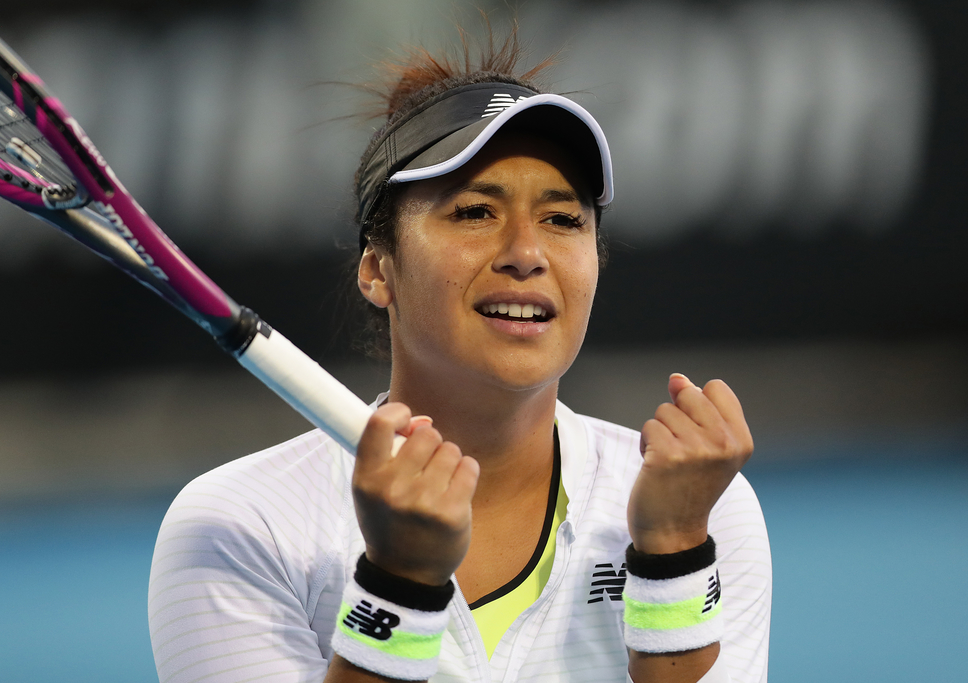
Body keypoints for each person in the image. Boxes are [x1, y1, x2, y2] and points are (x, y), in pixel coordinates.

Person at [148, 27, 771, 683]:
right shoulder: (240, 526)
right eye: (476, 212)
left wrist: (672, 553)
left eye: (563, 219)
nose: (526, 252)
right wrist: (398, 585)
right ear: (377, 268)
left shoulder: (705, 508)